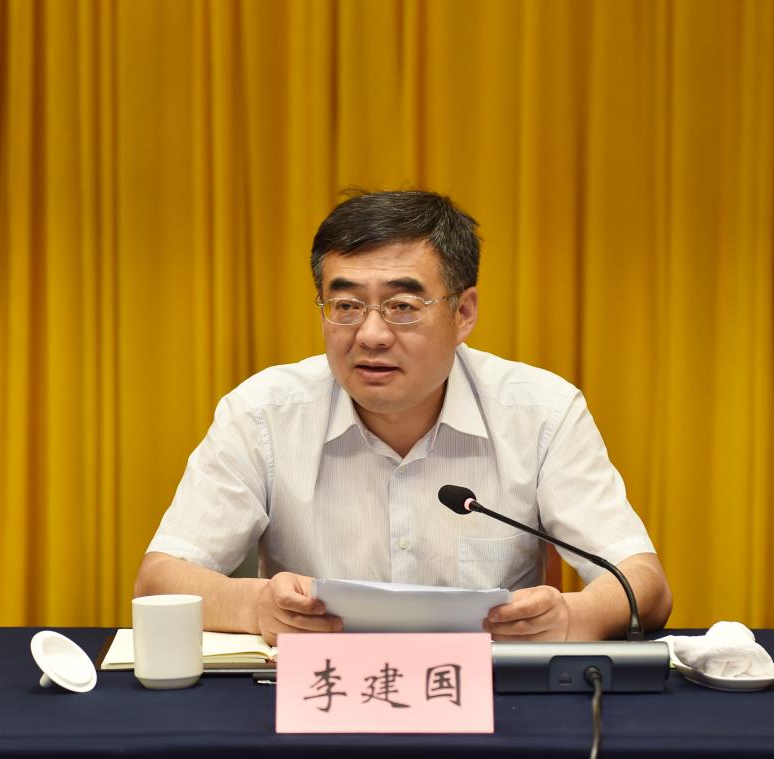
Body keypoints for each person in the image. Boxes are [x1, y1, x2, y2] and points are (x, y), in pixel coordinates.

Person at [134, 190, 672, 645]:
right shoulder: (262, 414)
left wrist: (572, 617)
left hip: (488, 706)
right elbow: (159, 580)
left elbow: (643, 583)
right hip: (314, 701)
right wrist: (256, 607)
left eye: (402, 307)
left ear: (463, 312)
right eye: (346, 306)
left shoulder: (541, 413)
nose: (370, 335)